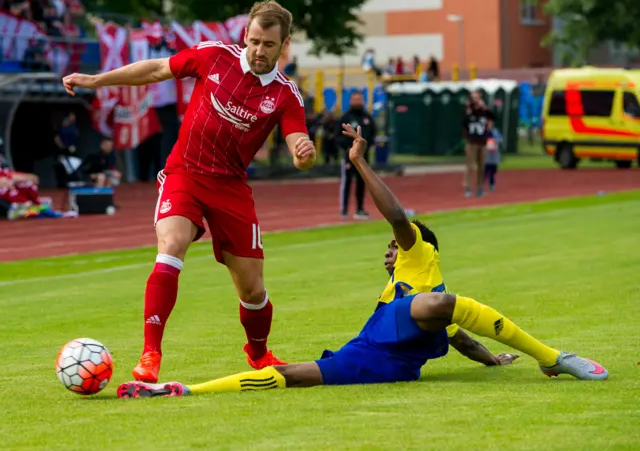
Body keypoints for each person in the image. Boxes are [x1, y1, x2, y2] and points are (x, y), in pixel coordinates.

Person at [117, 123, 608, 399]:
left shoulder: (421, 254)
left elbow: (395, 214)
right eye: (394, 247)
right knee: (289, 377)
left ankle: (553, 358)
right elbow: (461, 337)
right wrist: (493, 359)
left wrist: (358, 162)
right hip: (378, 351)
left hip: (399, 326)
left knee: (441, 303)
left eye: (396, 246)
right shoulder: (410, 294)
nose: (390, 250)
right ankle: (182, 390)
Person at [62, 0, 316, 384]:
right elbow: (156, 70)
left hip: (230, 187)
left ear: (285, 45)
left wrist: (304, 154)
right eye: (255, 41)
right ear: (245, 35)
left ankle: (259, 353)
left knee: (252, 289)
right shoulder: (213, 56)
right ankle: (150, 353)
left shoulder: (285, 94)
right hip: (185, 174)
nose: (259, 51)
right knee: (172, 246)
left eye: (269, 45)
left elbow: (300, 144)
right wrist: (98, 80)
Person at [338, 90, 376, 219]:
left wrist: (365, 148)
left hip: (363, 157)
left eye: (359, 99)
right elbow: (338, 136)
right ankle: (344, 210)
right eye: (355, 99)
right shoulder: (345, 117)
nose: (357, 101)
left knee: (362, 182)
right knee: (347, 182)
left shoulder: (367, 117)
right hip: (349, 156)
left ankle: (359, 209)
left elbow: (372, 135)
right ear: (350, 101)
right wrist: (348, 148)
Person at [462, 90, 494, 198]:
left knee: (481, 166)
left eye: (477, 97)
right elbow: (464, 124)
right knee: (470, 166)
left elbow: (492, 117)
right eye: (473, 97)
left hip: (482, 141)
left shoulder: (484, 110)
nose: (475, 100)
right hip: (472, 142)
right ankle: (467, 188)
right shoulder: (469, 110)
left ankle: (480, 187)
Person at [484, 120, 503, 192]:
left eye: (490, 124)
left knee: (494, 168)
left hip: (494, 152)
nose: (489, 125)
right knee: (486, 167)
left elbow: (500, 139)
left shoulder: (495, 131)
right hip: (487, 153)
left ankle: (490, 182)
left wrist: (496, 140)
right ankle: (487, 182)